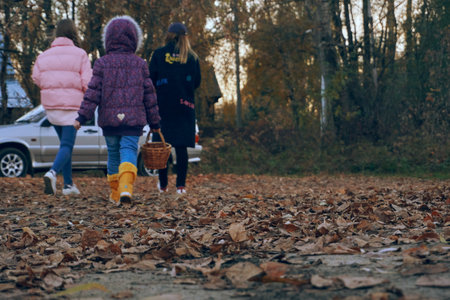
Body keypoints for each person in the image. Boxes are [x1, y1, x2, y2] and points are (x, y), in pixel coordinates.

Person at [74, 15, 160, 205]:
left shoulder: (102, 63)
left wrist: (82, 116)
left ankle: (115, 194)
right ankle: (126, 189)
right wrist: (155, 123)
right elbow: (149, 96)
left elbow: (93, 93)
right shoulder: (140, 64)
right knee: (128, 149)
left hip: (109, 119)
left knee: (113, 153)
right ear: (134, 39)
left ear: (108, 40)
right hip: (133, 119)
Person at [32, 19, 92, 196]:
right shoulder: (80, 54)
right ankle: (52, 173)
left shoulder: (44, 55)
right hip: (72, 107)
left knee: (65, 146)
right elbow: (87, 82)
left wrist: (51, 88)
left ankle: (68, 185)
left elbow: (36, 77)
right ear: (73, 32)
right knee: (67, 145)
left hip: (51, 107)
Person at [149, 22, 201, 194]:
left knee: (163, 148)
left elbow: (151, 79)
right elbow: (197, 82)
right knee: (181, 147)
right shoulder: (192, 57)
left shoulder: (158, 54)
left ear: (169, 35)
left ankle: (163, 185)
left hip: (163, 106)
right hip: (185, 106)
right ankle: (180, 186)